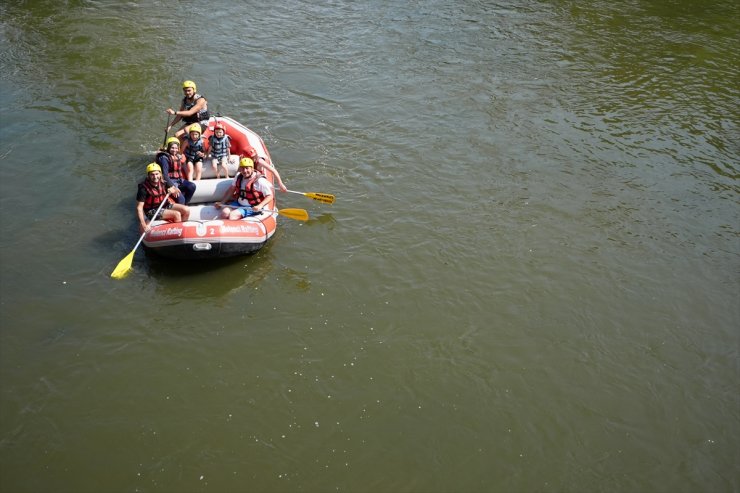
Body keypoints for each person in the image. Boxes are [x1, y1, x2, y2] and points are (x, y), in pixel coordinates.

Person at [136, 163, 190, 233]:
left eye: (157, 174)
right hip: (152, 211)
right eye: (152, 174)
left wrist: (173, 190)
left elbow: (176, 190)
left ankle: (181, 229)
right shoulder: (143, 188)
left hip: (165, 205)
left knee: (186, 210)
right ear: (148, 175)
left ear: (160, 174)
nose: (155, 177)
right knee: (176, 214)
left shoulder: (163, 181)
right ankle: (177, 233)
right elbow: (139, 208)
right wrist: (143, 224)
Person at [155, 137, 197, 204]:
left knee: (192, 186)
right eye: (172, 148)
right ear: (168, 147)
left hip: (179, 180)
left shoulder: (177, 156)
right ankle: (182, 205)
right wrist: (173, 187)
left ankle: (184, 206)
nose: (174, 150)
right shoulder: (164, 158)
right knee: (181, 200)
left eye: (176, 148)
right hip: (169, 182)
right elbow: (164, 175)